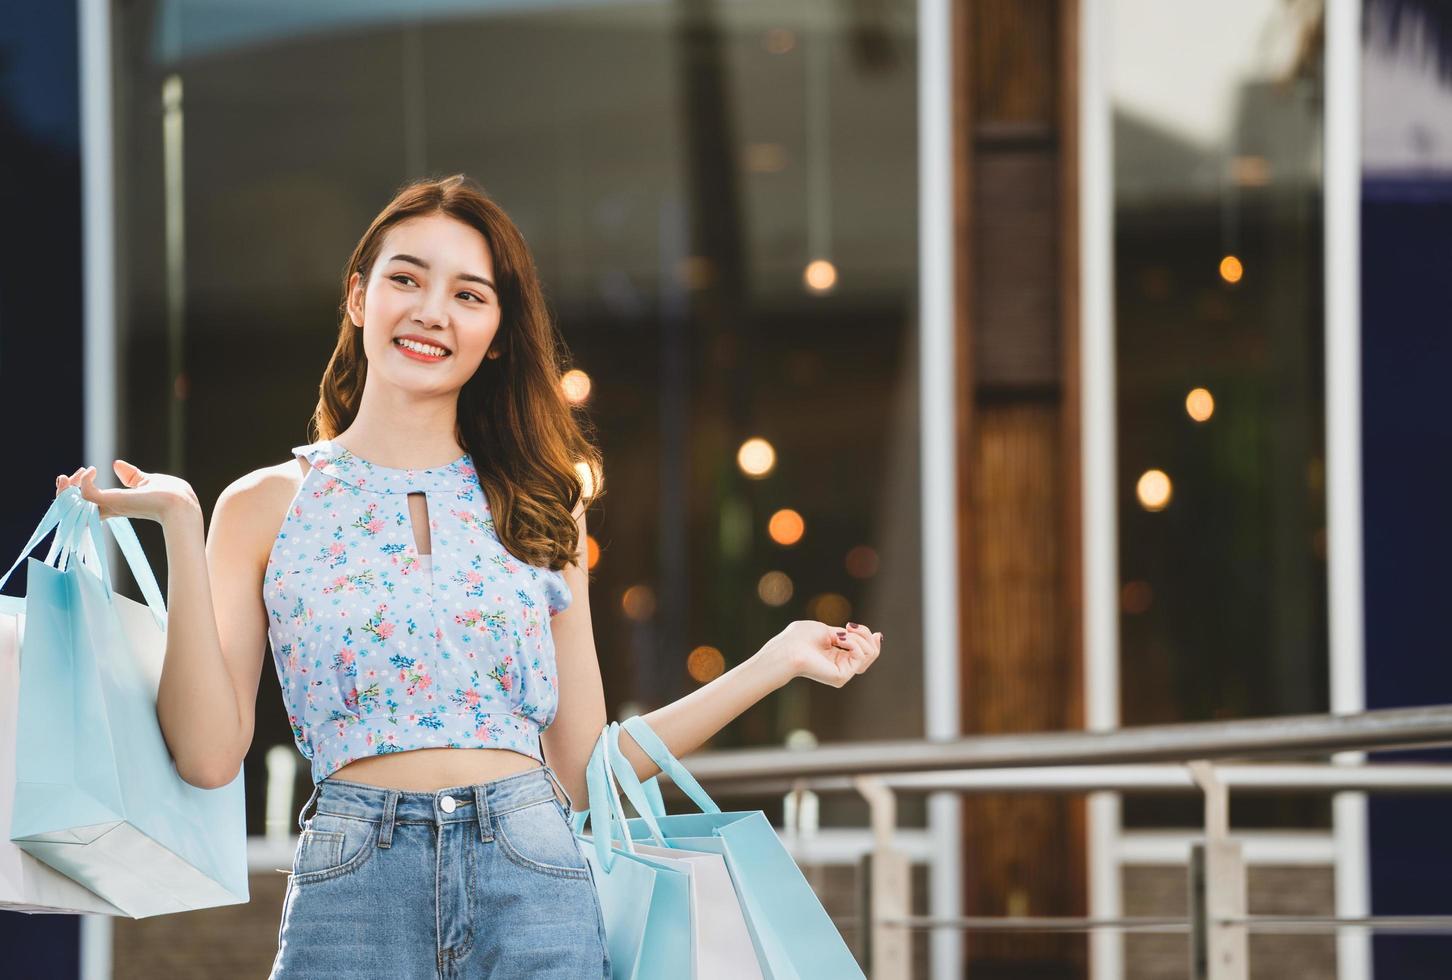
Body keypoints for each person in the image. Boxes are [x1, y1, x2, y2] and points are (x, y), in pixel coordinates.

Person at [53, 173, 883, 978]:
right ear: (358, 297)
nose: (430, 311)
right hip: (352, 887)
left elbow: (584, 774)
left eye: (469, 294)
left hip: (535, 885)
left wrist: (775, 661)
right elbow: (205, 756)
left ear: (495, 334)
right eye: (406, 279)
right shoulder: (262, 507)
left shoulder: (542, 505)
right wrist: (180, 522)